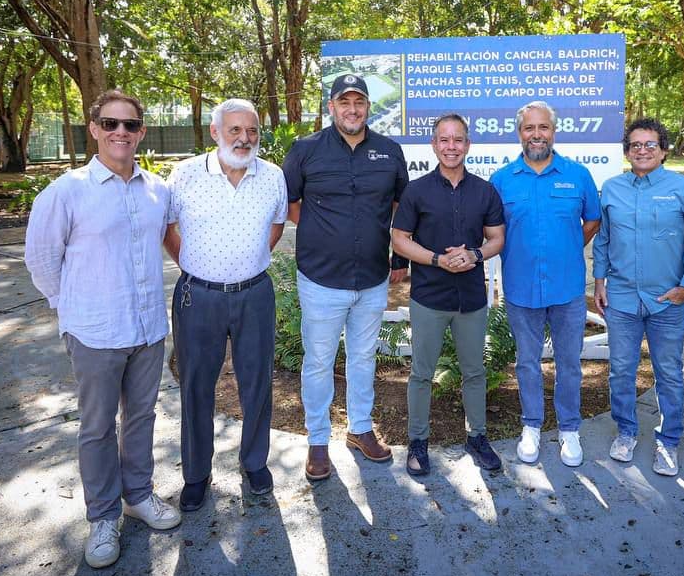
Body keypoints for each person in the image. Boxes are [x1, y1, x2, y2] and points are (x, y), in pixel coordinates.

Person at [24, 89, 180, 569]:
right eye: (110, 124)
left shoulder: (158, 191)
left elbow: (169, 246)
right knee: (96, 428)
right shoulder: (66, 191)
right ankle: (103, 517)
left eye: (129, 125)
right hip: (94, 332)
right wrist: (72, 309)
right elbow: (43, 260)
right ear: (93, 128)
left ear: (141, 133)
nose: (120, 133)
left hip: (148, 329)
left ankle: (138, 496)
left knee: (141, 419)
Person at [283, 74, 408, 482]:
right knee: (318, 361)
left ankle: (359, 429)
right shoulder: (305, 151)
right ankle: (318, 441)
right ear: (332, 106)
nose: (352, 109)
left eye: (359, 103)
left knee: (363, 357)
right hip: (320, 278)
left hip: (372, 277)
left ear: (368, 107)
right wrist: (327, 232)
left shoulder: (390, 152)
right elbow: (291, 203)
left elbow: (397, 206)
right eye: (344, 102)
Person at [163, 99, 287, 511]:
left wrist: (248, 262)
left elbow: (277, 224)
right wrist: (195, 265)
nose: (244, 138)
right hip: (198, 297)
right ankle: (196, 474)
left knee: (258, 384)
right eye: (234, 130)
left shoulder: (272, 176)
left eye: (251, 130)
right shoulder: (184, 175)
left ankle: (254, 463)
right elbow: (167, 227)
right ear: (214, 132)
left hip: (255, 295)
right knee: (196, 386)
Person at [593, 119, 684, 476]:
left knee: (668, 373)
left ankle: (668, 441)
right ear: (627, 151)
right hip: (623, 298)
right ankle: (626, 432)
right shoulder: (612, 189)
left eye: (650, 145)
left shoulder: (683, 189)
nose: (642, 150)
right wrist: (599, 280)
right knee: (622, 370)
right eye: (636, 145)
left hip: (668, 301)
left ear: (663, 150)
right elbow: (604, 239)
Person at [391, 113, 506, 476]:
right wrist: (438, 260)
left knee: (474, 372)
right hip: (429, 297)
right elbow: (399, 239)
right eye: (444, 139)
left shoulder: (484, 191)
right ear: (434, 145)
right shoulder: (417, 191)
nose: (451, 146)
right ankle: (418, 442)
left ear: (468, 145)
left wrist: (473, 255)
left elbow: (497, 238)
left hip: (471, 299)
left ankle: (478, 438)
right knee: (422, 373)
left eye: (458, 140)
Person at [492, 101, 601, 467]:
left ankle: (569, 428)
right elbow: (494, 231)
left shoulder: (578, 175)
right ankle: (532, 426)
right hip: (521, 289)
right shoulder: (502, 180)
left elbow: (591, 222)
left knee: (569, 362)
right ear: (520, 133)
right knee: (527, 363)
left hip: (567, 288)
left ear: (554, 132)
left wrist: (567, 249)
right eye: (529, 128)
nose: (536, 134)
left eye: (543, 128)